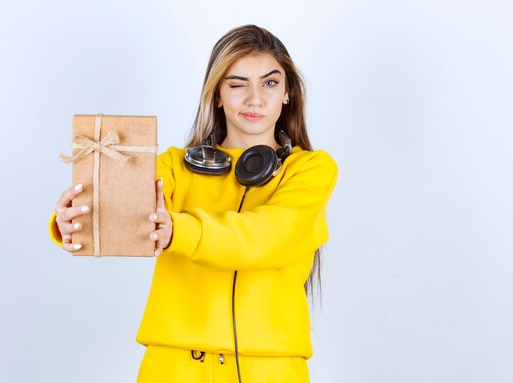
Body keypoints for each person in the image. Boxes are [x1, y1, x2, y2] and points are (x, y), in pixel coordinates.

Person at [50, 24, 338, 383]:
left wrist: (179, 231)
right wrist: (76, 219)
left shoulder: (311, 170)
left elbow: (271, 236)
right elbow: (118, 208)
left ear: (287, 93)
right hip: (172, 368)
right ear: (216, 95)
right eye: (237, 85)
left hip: (271, 370)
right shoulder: (172, 167)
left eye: (269, 83)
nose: (255, 99)